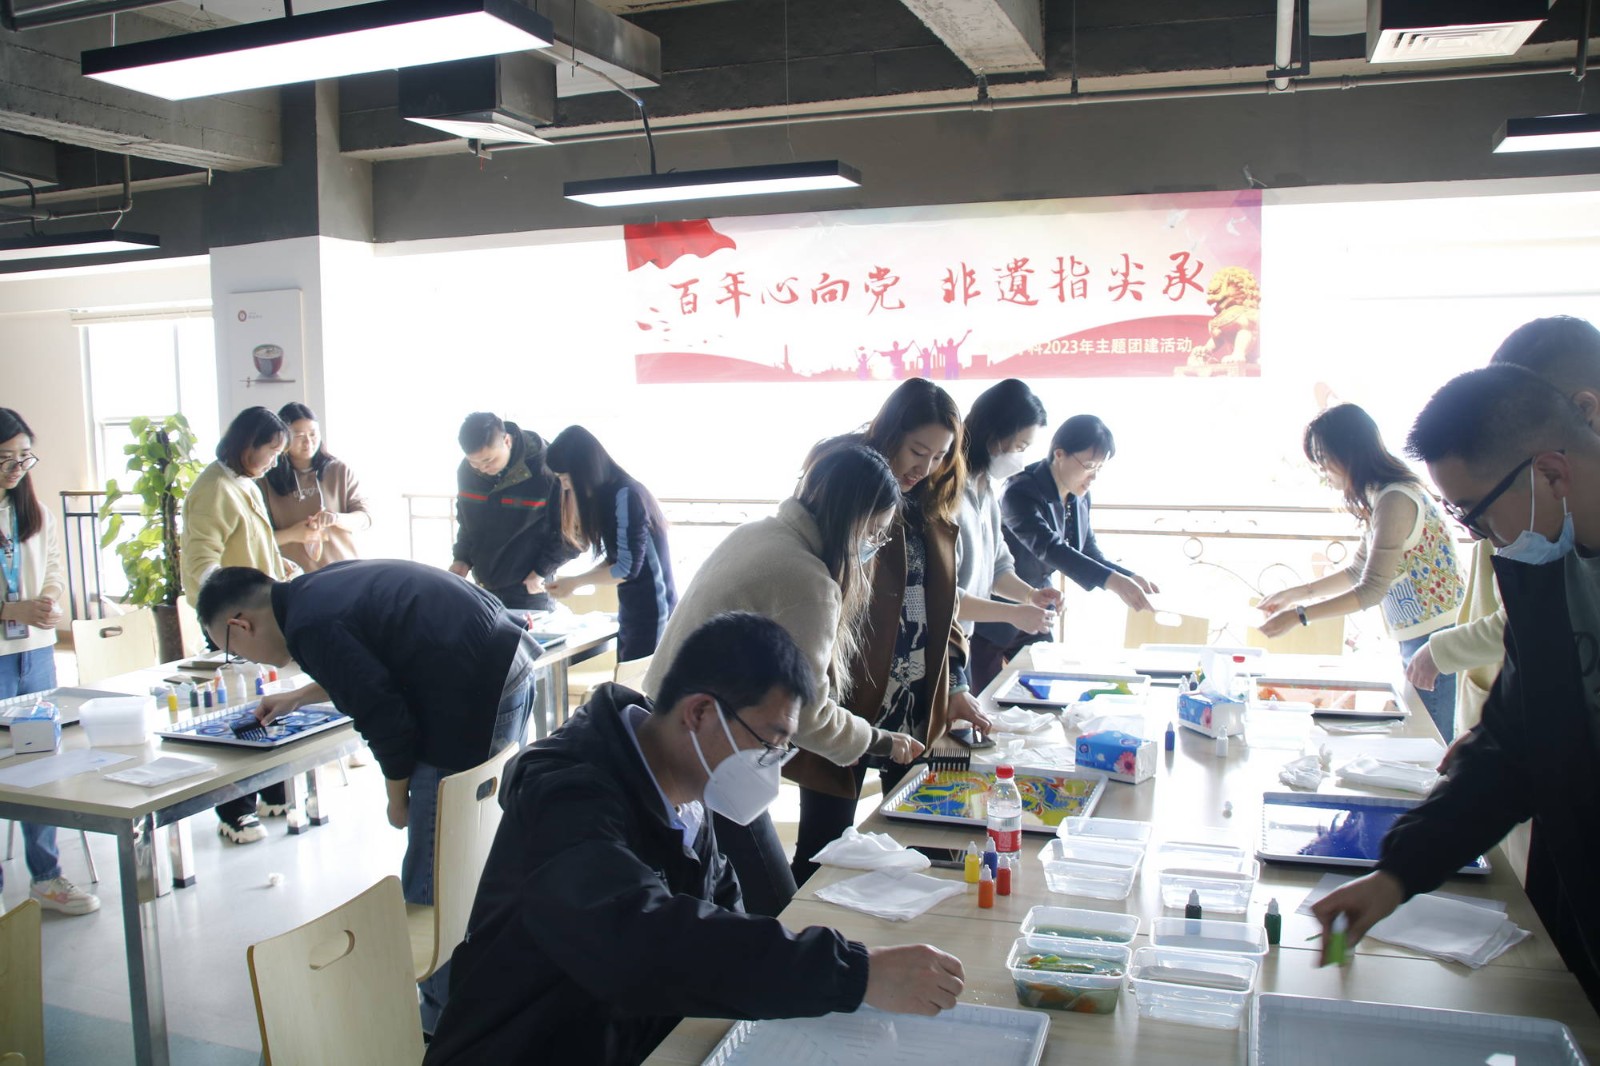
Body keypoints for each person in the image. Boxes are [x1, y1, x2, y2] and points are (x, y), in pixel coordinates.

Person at [423, 612, 965, 1066]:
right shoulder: (569, 799)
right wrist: (855, 973)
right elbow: (643, 943)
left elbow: (720, 925)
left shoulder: (684, 793)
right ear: (701, 713)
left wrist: (825, 975)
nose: (772, 764)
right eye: (769, 743)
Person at [1312, 365, 1600, 1008]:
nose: (1474, 534)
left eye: (1476, 512)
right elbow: (1512, 747)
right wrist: (1396, 875)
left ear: (1551, 474)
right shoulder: (1546, 577)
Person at [196, 560, 540, 1032]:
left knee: (434, 876)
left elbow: (386, 719)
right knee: (469, 851)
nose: (246, 661)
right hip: (506, 659)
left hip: (475, 684)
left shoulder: (309, 624)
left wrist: (398, 799)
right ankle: (478, 999)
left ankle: (442, 1027)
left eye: (232, 651)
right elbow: (371, 664)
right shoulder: (311, 594)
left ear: (241, 626)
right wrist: (298, 697)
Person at [642, 443, 925, 916]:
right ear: (850, 519)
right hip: (711, 751)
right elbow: (808, 715)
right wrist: (880, 741)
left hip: (664, 727)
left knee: (712, 896)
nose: (873, 546)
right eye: (873, 533)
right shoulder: (807, 581)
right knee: (775, 905)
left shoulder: (757, 533)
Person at [788, 379, 991, 886]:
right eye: (917, 451)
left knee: (924, 842)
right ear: (890, 432)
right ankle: (803, 931)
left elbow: (944, 608)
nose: (924, 467)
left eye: (939, 456)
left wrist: (957, 685)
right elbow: (810, 578)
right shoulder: (845, 478)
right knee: (824, 847)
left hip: (915, 699)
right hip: (847, 695)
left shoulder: (934, 500)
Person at [1259, 403, 1465, 741]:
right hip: (1419, 634)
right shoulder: (1382, 494)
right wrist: (1292, 595)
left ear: (1348, 452)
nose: (1323, 469)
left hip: (1436, 636)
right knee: (1422, 737)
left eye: (1324, 458)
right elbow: (1358, 569)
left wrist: (1299, 615)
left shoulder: (1395, 499)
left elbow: (1371, 590)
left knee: (1430, 742)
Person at [181, 406, 295, 844]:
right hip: (234, 621)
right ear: (247, 444)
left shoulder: (243, 482)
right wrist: (232, 607)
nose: (274, 461)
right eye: (271, 451)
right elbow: (203, 562)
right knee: (238, 710)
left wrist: (275, 567)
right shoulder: (213, 488)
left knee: (268, 700)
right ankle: (234, 809)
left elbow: (250, 545)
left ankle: (270, 789)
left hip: (260, 615)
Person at [0, 409, 99, 915]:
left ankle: (46, 877)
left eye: (24, 457)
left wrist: (50, 603)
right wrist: (11, 610)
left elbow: (54, 567)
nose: (17, 467)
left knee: (40, 763)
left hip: (35, 653)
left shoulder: (34, 512)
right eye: (6, 458)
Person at [991, 414, 1160, 668]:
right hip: (996, 610)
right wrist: (1113, 582)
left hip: (1037, 606)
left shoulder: (1079, 496)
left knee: (1042, 680)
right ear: (1059, 454)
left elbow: (1089, 552)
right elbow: (1050, 548)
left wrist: (1129, 577)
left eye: (1099, 468)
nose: (1093, 477)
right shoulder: (1019, 491)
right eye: (1089, 466)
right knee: (987, 691)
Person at [957, 379, 1063, 692]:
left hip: (961, 637)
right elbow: (941, 596)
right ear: (993, 434)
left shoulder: (986, 489)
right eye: (1019, 447)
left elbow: (998, 566)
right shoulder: (947, 493)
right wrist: (1013, 613)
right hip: (938, 640)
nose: (1020, 458)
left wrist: (1030, 596)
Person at [543, 425, 677, 663]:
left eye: (566, 478)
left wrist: (576, 582)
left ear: (584, 469)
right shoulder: (610, 495)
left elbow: (627, 568)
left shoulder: (626, 495)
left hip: (654, 611)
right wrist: (573, 581)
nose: (564, 486)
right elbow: (619, 557)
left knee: (639, 681)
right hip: (634, 609)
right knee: (628, 679)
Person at [450, 412, 575, 613]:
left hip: (529, 588)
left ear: (507, 441)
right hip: (483, 587)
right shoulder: (467, 471)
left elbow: (572, 531)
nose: (482, 468)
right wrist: (461, 559)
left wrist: (541, 570)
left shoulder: (547, 469)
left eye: (489, 460)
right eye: (474, 462)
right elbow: (467, 523)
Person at [261, 402, 371, 574]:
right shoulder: (267, 479)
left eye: (313, 434)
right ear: (283, 438)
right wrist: (292, 534)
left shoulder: (339, 470)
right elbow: (257, 539)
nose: (308, 442)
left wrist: (335, 518)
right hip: (295, 577)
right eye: (299, 436)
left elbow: (365, 519)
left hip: (344, 572)